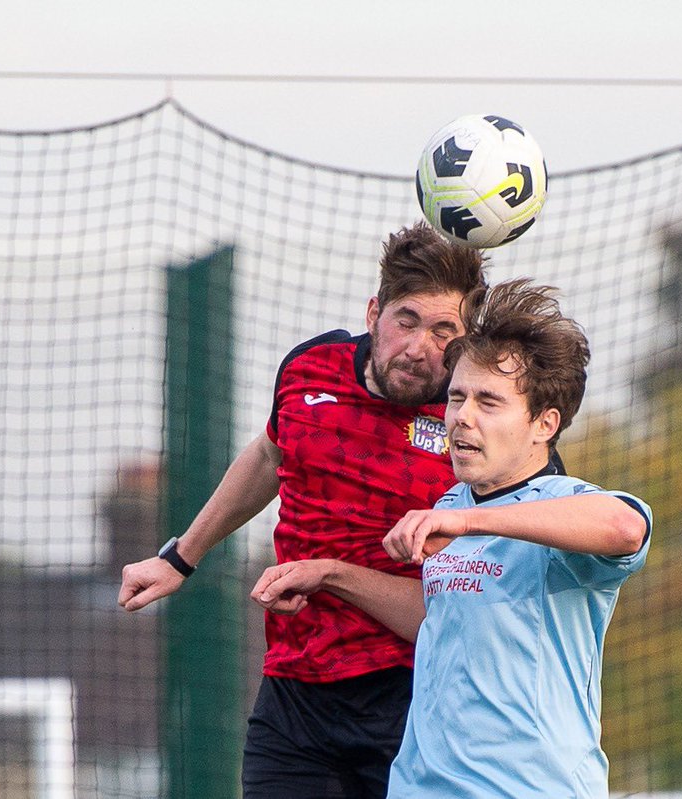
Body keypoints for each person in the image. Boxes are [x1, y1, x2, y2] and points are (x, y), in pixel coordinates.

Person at [118, 221, 487, 799]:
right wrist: (181, 557)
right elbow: (271, 452)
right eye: (406, 321)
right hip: (295, 689)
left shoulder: (475, 420)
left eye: (445, 331)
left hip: (419, 695)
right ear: (374, 313)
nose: (419, 347)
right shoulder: (311, 367)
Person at [252, 279, 652, 799]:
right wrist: (329, 573)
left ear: (544, 424)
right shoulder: (450, 506)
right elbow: (438, 619)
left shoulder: (558, 504)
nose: (462, 415)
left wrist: (471, 525)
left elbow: (625, 528)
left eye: (489, 402)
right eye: (458, 396)